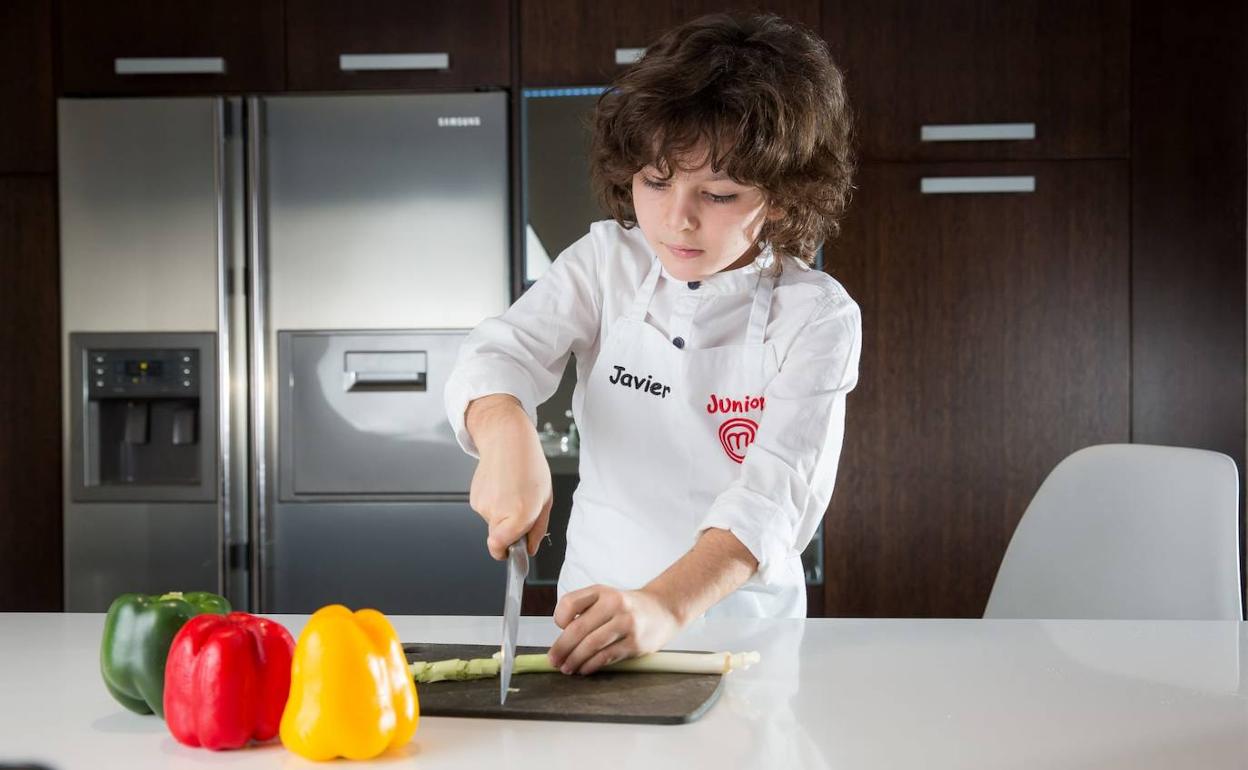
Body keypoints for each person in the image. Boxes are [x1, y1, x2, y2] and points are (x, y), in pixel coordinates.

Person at [443, 12, 861, 675]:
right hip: (589, 627)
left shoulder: (816, 316)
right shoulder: (605, 263)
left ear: (783, 196)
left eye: (718, 193)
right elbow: (499, 353)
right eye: (656, 181)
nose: (676, 219)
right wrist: (504, 431)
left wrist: (663, 605)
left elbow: (772, 496)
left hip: (738, 643)